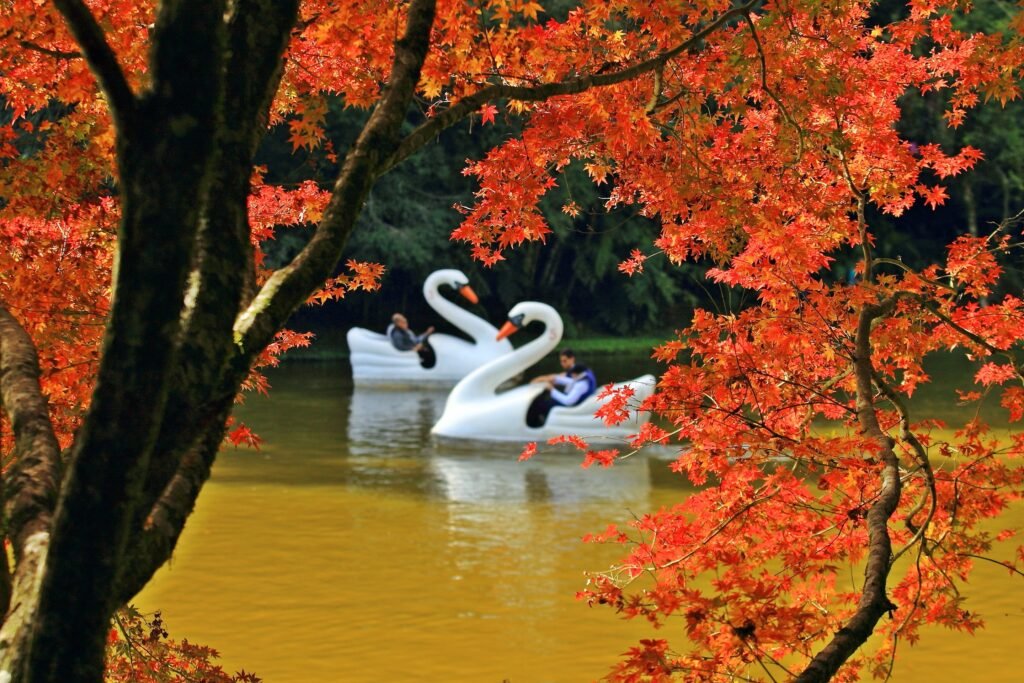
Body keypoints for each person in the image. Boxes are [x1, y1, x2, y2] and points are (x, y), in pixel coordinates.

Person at [526, 349, 598, 426]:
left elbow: (568, 401)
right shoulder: (583, 375)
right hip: (577, 402)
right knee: (545, 402)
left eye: (564, 361)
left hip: (572, 406)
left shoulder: (582, 384)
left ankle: (535, 425)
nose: (562, 364)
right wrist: (555, 380)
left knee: (541, 405)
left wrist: (552, 390)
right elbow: (570, 381)